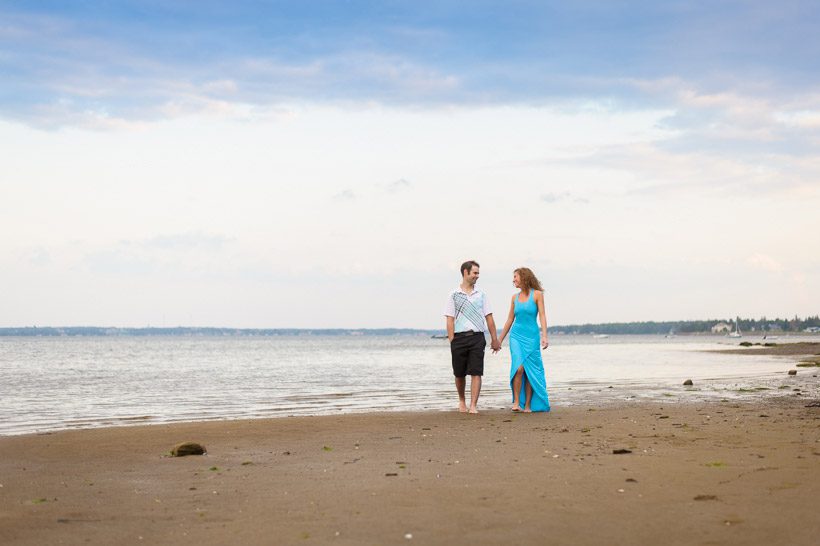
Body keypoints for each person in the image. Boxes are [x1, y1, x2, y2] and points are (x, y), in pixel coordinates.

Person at [444, 260, 501, 414]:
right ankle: (462, 401)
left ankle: (473, 405)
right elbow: (449, 319)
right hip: (459, 338)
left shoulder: (481, 295)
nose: (477, 276)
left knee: (477, 371)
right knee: (459, 373)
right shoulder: (454, 295)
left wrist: (494, 339)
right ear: (465, 273)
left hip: (477, 337)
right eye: (475, 273)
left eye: (478, 273)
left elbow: (489, 318)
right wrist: (452, 340)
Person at [497, 267, 550, 412]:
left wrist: (544, 336)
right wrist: (499, 339)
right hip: (516, 336)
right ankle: (516, 403)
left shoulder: (537, 295)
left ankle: (527, 405)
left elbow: (542, 316)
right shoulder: (514, 298)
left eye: (515, 277)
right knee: (519, 368)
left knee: (530, 371)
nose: (513, 280)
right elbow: (509, 319)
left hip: (532, 337)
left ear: (524, 277)